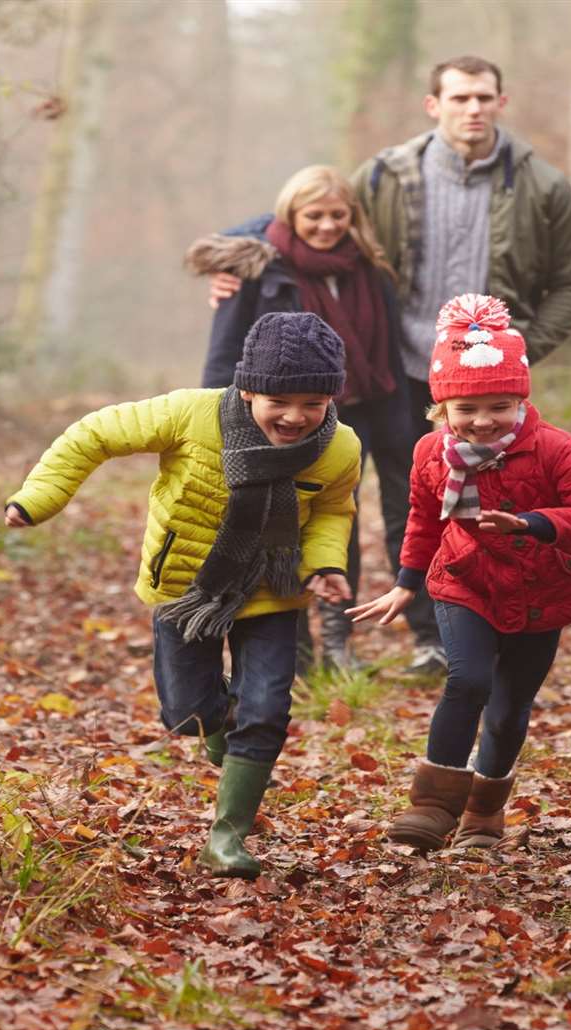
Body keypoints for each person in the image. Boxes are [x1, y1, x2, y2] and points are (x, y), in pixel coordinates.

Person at [210, 55, 571, 673]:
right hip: (392, 371)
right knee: (363, 501)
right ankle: (340, 639)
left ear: (502, 101)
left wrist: (514, 350)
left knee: (456, 507)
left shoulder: (540, 185)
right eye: (459, 98)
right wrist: (234, 258)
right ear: (434, 104)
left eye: (483, 98)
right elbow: (310, 212)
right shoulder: (388, 174)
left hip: (479, 386)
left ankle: (443, 637)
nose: (472, 109)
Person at [3, 312, 361, 877]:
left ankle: (227, 839)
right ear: (249, 389)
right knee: (187, 714)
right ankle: (221, 731)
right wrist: (39, 498)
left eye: (313, 404)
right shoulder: (188, 414)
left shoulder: (339, 448)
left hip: (273, 593)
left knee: (266, 710)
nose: (296, 417)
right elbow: (93, 434)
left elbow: (332, 513)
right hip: (186, 590)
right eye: (281, 401)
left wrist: (324, 565)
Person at [349, 294, 571, 852]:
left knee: (507, 711)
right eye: (467, 409)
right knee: (468, 680)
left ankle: (483, 811)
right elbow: (423, 518)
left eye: (499, 405)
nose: (482, 420)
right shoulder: (431, 452)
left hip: (540, 591)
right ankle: (432, 806)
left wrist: (532, 523)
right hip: (464, 581)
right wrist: (406, 582)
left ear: (521, 400)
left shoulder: (551, 449)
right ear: (442, 409)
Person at [187, 166, 435, 672]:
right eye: (314, 215)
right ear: (291, 215)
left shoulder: (368, 267)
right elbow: (224, 353)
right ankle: (295, 652)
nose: (326, 226)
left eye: (337, 215)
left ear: (353, 216)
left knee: (357, 521)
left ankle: (342, 642)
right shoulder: (259, 267)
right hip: (285, 420)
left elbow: (384, 346)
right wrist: (221, 422)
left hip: (366, 412)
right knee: (291, 526)